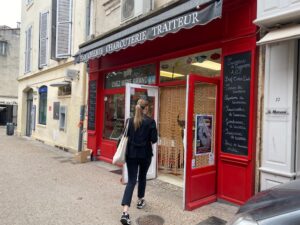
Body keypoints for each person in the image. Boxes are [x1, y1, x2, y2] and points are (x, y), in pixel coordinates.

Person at [120, 98, 158, 225]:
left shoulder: (129, 121)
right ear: (146, 108)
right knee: (142, 177)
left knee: (131, 181)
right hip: (145, 154)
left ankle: (125, 212)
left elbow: (124, 137)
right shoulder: (151, 122)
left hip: (131, 154)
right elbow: (154, 140)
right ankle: (140, 200)